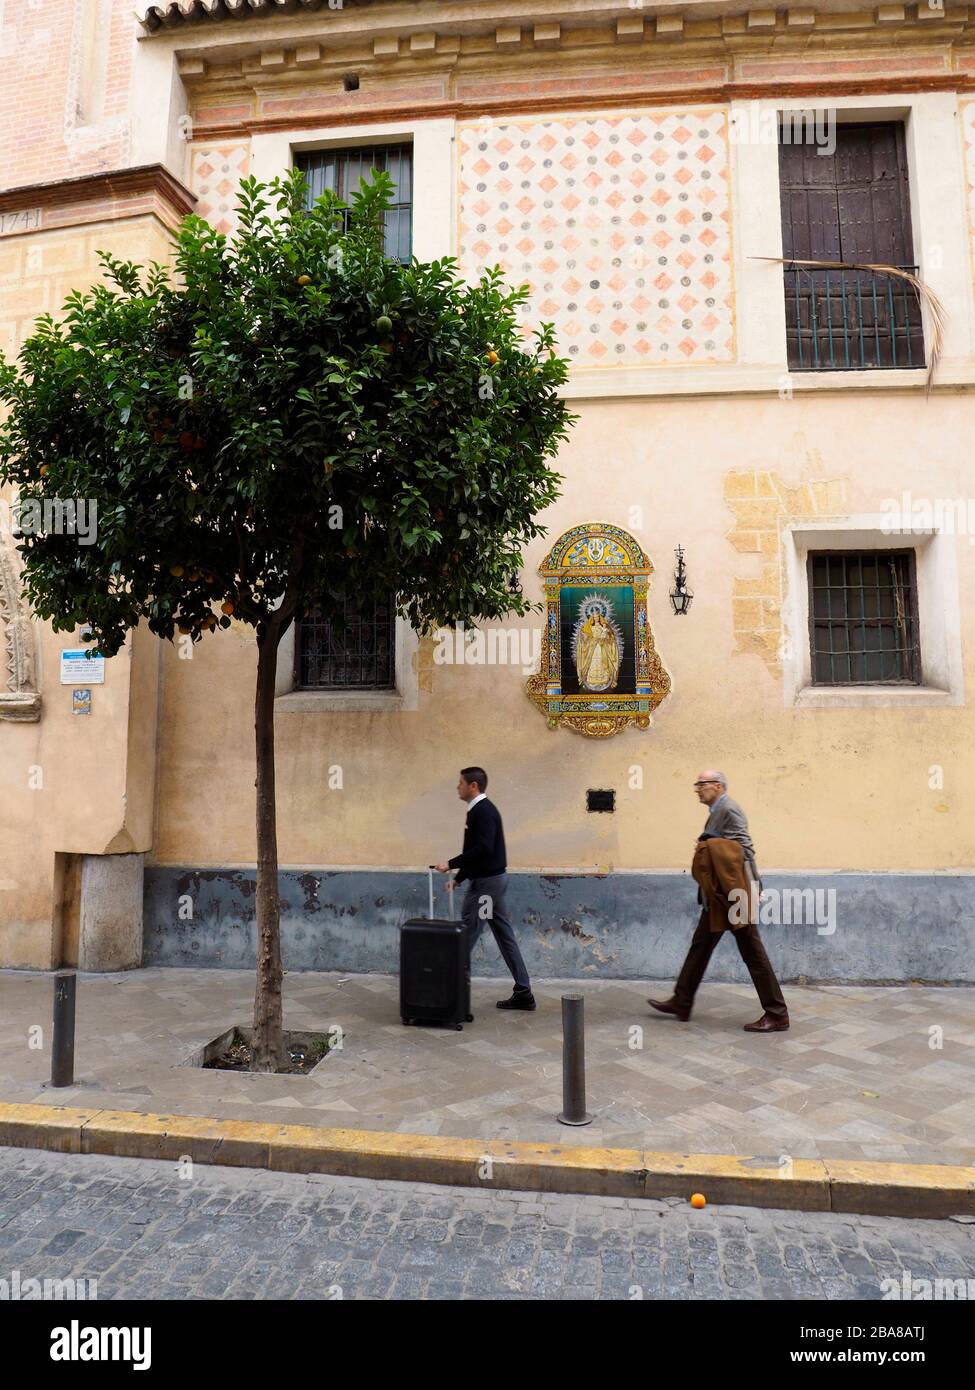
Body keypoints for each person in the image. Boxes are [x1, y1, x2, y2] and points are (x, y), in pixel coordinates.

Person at [648, 770, 790, 1033]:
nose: (697, 789)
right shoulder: (718, 809)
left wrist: (754, 886)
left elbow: (744, 849)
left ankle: (777, 1013)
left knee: (753, 953)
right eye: (697, 784)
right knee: (700, 946)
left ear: (717, 785)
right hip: (719, 896)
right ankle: (682, 1001)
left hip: (733, 896)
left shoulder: (729, 808)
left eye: (702, 784)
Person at [435, 767, 536, 1011]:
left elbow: (483, 849)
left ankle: (446, 994)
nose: (457, 787)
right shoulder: (478, 811)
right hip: (491, 881)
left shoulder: (483, 812)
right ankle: (524, 992)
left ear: (473, 786)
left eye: (460, 783)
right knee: (503, 935)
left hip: (486, 888)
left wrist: (451, 864)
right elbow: (478, 853)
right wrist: (459, 878)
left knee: (466, 933)